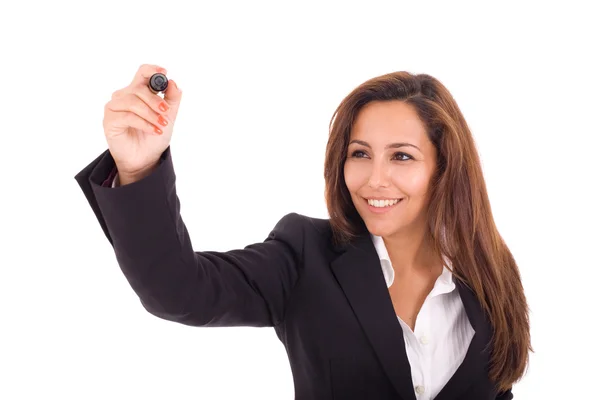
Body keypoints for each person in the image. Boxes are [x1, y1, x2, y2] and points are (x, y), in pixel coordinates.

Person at [74, 64, 531, 400]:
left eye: (402, 157)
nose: (375, 179)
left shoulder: (488, 270)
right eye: (360, 154)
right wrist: (138, 167)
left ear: (444, 168)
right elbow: (178, 290)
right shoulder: (305, 255)